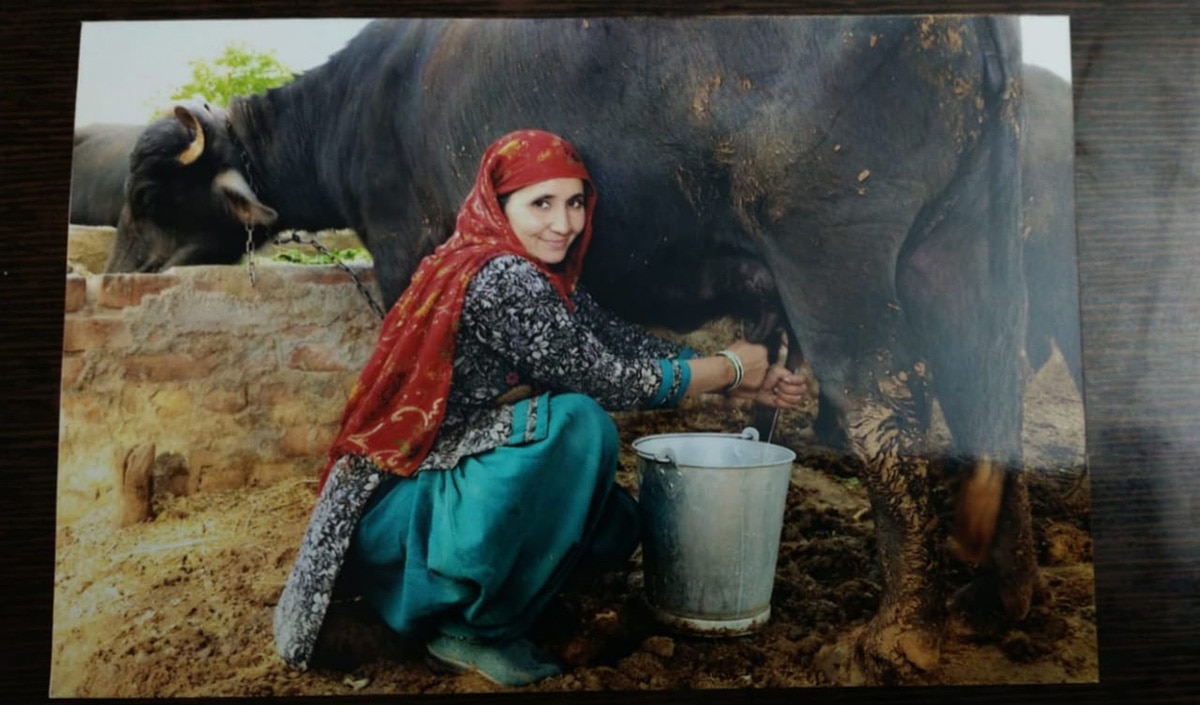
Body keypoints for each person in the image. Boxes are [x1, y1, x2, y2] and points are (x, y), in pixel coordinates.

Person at [274, 129, 806, 686]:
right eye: (541, 203)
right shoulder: (501, 276)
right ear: (499, 206)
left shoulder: (536, 273)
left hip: (434, 489)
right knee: (577, 426)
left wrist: (733, 378)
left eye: (575, 202)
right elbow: (607, 377)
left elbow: (615, 339)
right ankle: (468, 632)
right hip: (404, 519)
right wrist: (730, 368)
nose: (564, 223)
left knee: (615, 524)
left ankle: (500, 599)